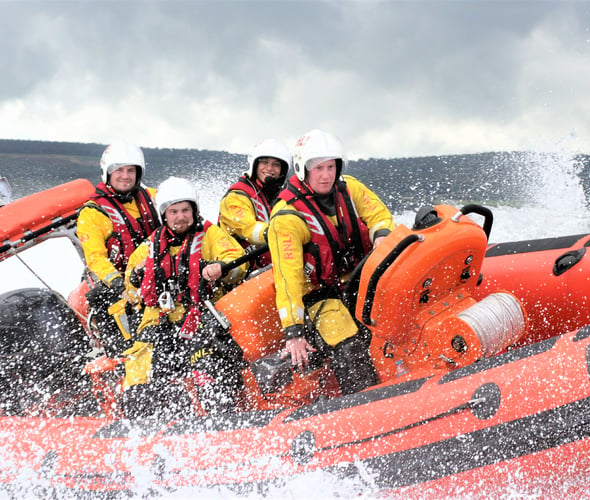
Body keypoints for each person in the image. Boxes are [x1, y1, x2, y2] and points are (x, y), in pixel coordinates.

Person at [266, 129, 395, 395]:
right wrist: (294, 333)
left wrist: (382, 236)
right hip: (320, 295)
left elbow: (378, 214)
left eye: (330, 167)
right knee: (348, 343)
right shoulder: (287, 218)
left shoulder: (349, 187)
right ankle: (362, 403)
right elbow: (288, 280)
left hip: (359, 276)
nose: (326, 175)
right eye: (318, 169)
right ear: (303, 169)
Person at [121, 176, 249, 418]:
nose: (181, 216)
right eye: (174, 211)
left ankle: (221, 420)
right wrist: (137, 279)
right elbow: (131, 286)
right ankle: (151, 428)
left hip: (201, 320)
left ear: (194, 210)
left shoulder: (210, 235)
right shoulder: (150, 246)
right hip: (157, 324)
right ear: (164, 215)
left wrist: (220, 267)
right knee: (139, 386)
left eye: (186, 210)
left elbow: (237, 261)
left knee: (211, 375)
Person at [76, 140, 160, 357]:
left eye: (131, 170)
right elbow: (95, 259)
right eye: (119, 170)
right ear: (107, 172)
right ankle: (126, 366)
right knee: (131, 343)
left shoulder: (153, 197)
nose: (125, 176)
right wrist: (119, 284)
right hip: (117, 288)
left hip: (156, 275)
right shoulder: (92, 213)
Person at [218, 138, 292, 271]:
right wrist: (275, 232)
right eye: (265, 162)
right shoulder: (236, 197)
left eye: (276, 164)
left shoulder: (282, 198)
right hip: (242, 271)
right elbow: (248, 228)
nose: (270, 168)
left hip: (271, 268)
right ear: (255, 165)